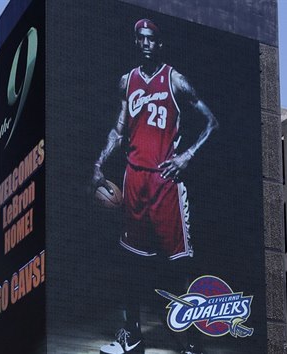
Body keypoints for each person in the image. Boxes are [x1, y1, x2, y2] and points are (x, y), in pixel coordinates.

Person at [93, 19, 218, 354]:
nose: (146, 44)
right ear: (135, 42)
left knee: (178, 264)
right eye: (140, 39)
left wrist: (188, 155)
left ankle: (191, 343)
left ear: (158, 44)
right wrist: (98, 163)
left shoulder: (174, 80)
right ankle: (132, 337)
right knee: (131, 262)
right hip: (133, 179)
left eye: (151, 39)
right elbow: (118, 130)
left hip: (165, 182)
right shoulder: (127, 81)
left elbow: (211, 121)